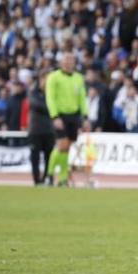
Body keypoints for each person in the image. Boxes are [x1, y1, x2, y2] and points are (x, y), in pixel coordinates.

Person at [45, 52, 87, 187]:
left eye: (71, 60)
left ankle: (62, 178)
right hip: (60, 115)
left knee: (67, 148)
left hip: (74, 115)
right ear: (61, 62)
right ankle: (49, 174)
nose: (69, 62)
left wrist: (85, 116)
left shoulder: (78, 78)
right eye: (66, 60)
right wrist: (54, 116)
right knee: (61, 145)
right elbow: (50, 98)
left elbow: (82, 98)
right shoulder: (53, 77)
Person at [26, 78, 56, 185]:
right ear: (40, 81)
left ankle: (47, 178)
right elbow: (37, 106)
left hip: (49, 130)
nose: (46, 82)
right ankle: (36, 180)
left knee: (49, 157)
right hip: (35, 130)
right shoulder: (32, 93)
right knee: (35, 157)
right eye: (44, 79)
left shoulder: (53, 93)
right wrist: (53, 108)